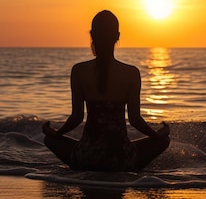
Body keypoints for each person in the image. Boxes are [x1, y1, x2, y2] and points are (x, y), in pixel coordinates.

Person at [42, 10, 170, 172]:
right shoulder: (131, 73)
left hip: (86, 157)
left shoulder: (79, 71)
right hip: (122, 159)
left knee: (49, 139)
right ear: (117, 36)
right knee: (164, 141)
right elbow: (135, 119)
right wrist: (156, 135)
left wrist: (55, 133)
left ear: (92, 35)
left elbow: (76, 117)